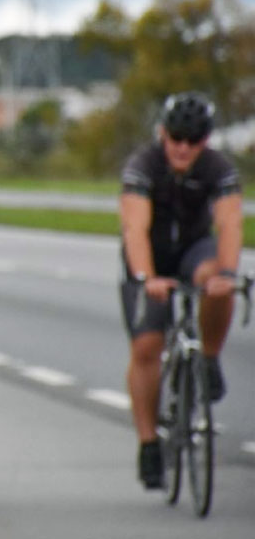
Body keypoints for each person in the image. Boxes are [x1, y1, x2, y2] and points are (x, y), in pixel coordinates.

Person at [119, 91, 242, 489]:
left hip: (194, 251)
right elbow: (134, 228)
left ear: (206, 140)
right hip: (150, 255)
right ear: (163, 133)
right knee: (147, 347)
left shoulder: (217, 168)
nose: (183, 148)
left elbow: (230, 225)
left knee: (218, 282)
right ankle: (148, 444)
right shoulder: (143, 165)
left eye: (193, 139)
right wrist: (146, 277)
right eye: (176, 138)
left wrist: (227, 273)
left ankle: (208, 358)